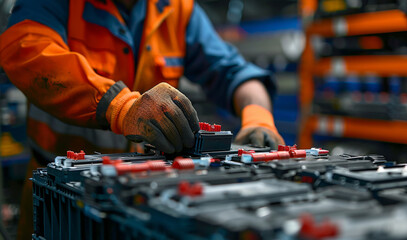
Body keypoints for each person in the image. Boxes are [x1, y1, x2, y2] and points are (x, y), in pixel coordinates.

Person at [0, 0, 285, 238]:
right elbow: (25, 49)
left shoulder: (177, 9)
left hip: (144, 202)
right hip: (60, 199)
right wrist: (120, 107)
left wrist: (258, 116)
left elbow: (233, 72)